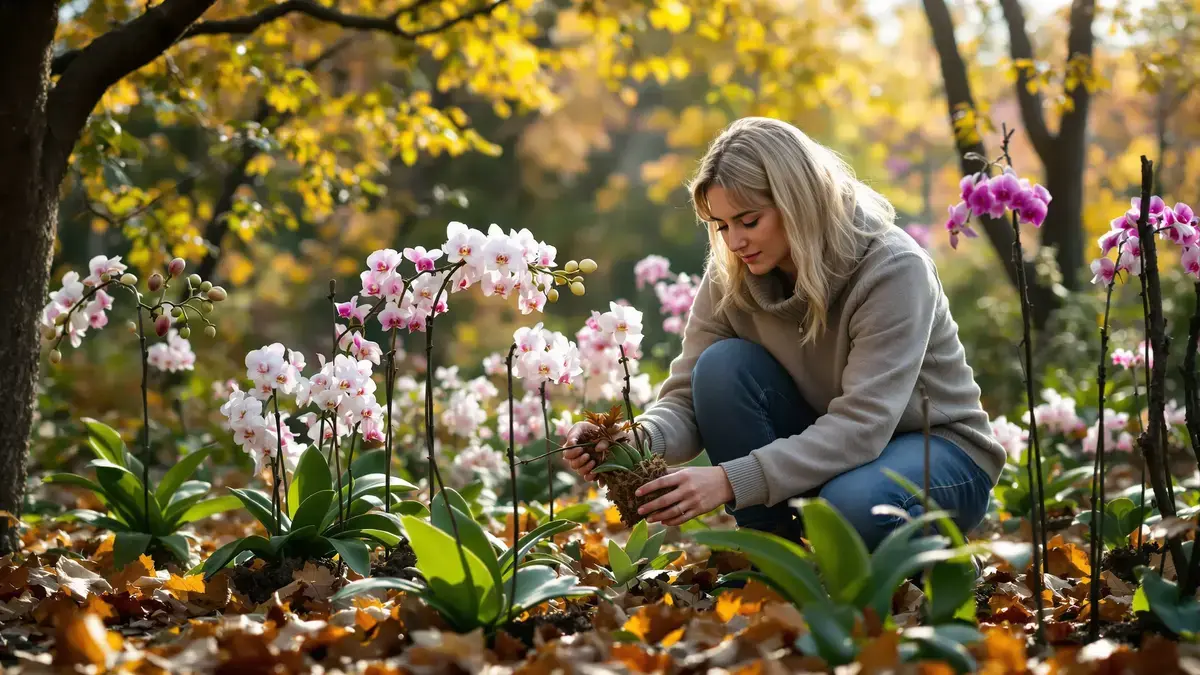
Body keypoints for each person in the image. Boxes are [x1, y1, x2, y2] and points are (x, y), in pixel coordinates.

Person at [562, 117, 1005, 550]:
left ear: (798, 202)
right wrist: (630, 441)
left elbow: (863, 425)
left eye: (748, 220)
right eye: (722, 225)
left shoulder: (892, 268)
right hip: (831, 449)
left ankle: (938, 566)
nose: (734, 241)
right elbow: (685, 400)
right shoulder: (732, 274)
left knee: (851, 506)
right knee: (720, 368)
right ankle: (770, 557)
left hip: (937, 451)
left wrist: (729, 480)